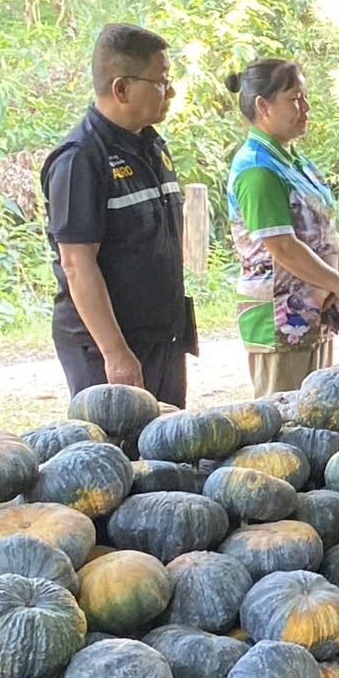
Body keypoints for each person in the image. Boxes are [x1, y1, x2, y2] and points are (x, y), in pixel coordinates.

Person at [41, 23, 195, 406]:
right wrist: (115, 353)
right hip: (108, 348)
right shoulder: (80, 159)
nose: (171, 92)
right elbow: (77, 264)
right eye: (161, 81)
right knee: (118, 458)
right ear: (121, 89)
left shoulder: (152, 146)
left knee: (171, 455)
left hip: (162, 337)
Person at [226, 59, 339, 397]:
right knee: (284, 422)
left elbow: (323, 229)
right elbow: (282, 246)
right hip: (280, 322)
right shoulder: (258, 169)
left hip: (315, 311)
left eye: (305, 97)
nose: (306, 108)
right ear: (263, 106)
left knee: (319, 413)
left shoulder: (293, 159)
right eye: (295, 99)